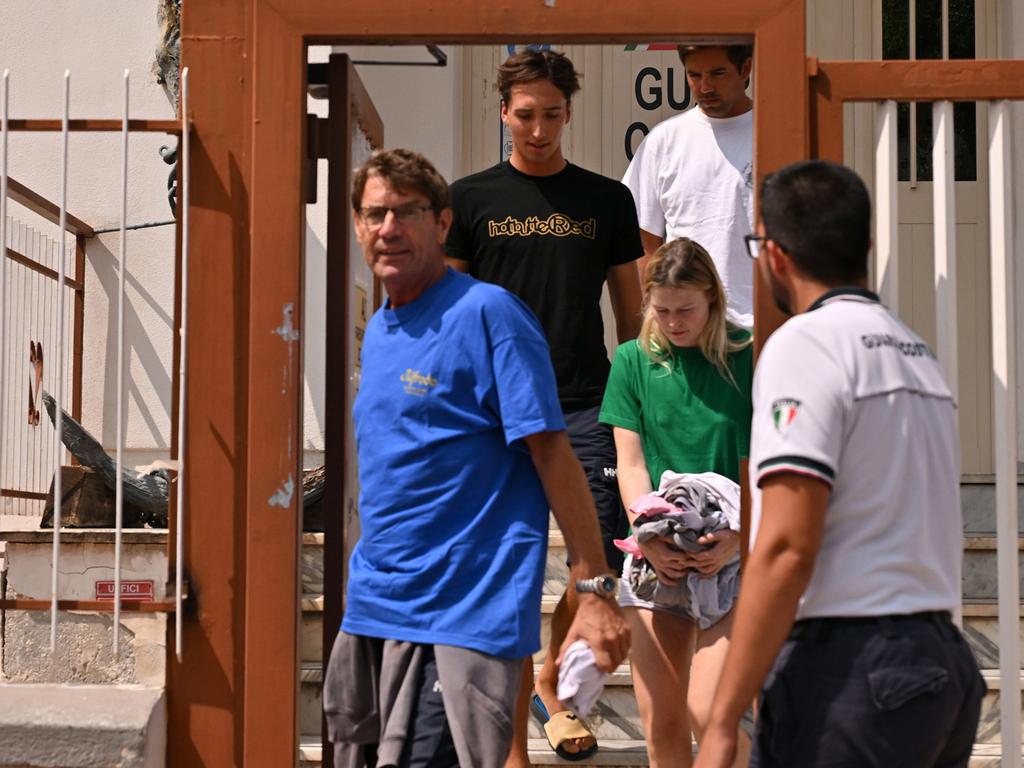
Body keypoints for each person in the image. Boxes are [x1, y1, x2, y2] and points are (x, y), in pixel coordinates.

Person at [324, 148, 630, 768]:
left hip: (459, 615)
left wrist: (594, 587)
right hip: (376, 607)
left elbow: (554, 453)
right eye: (374, 213)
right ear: (356, 225)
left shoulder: (488, 314)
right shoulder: (382, 327)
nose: (388, 228)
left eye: (408, 212)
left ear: (443, 224)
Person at [695, 160, 986, 768]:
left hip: (852, 664)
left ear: (773, 253)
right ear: (867, 246)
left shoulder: (806, 344)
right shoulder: (914, 350)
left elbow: (786, 546)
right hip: (940, 661)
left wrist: (723, 718)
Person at [445, 49, 643, 763]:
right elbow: (452, 320)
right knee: (506, 569)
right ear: (503, 111)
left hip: (586, 404)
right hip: (494, 414)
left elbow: (632, 316)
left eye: (552, 115)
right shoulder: (467, 200)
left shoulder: (606, 201)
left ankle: (550, 687)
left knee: (595, 565)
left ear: (569, 112)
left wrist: (639, 405)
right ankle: (512, 737)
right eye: (524, 115)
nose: (537, 129)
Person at [599, 238, 753, 768]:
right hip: (656, 553)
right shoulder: (631, 360)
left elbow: (763, 467)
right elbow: (631, 461)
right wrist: (649, 540)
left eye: (685, 309)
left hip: (732, 557)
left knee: (710, 713)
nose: (672, 322)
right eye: (660, 310)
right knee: (661, 722)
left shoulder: (749, 356)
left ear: (712, 297)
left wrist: (740, 539)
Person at [622, 44, 754, 327]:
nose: (705, 86)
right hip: (683, 333)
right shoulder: (664, 140)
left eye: (717, 73)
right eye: (694, 75)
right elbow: (644, 242)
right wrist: (660, 315)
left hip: (757, 331)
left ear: (745, 69)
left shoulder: (776, 134)